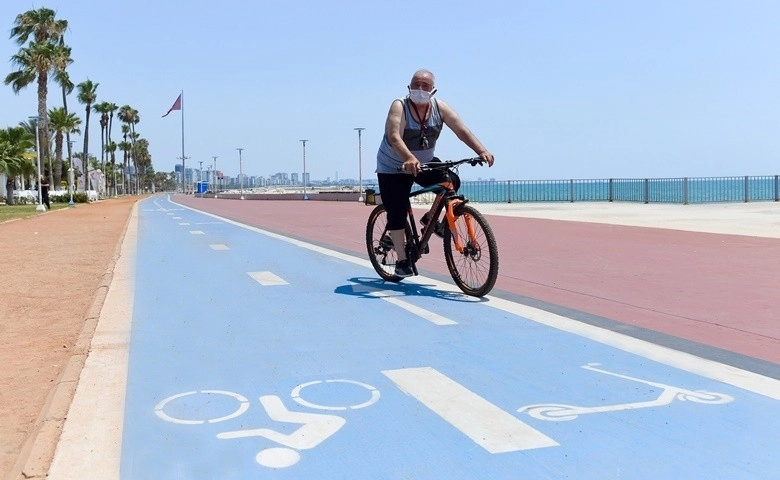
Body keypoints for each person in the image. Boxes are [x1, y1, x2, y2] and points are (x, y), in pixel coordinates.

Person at [376, 69, 494, 277]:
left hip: (424, 163)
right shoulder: (400, 106)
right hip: (394, 167)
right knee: (397, 211)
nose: (420, 89)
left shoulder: (440, 108)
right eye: (416, 85)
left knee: (451, 181)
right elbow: (394, 136)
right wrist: (409, 158)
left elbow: (462, 131)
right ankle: (403, 260)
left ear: (433, 90)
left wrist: (481, 150)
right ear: (409, 87)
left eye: (425, 86)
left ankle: (430, 219)